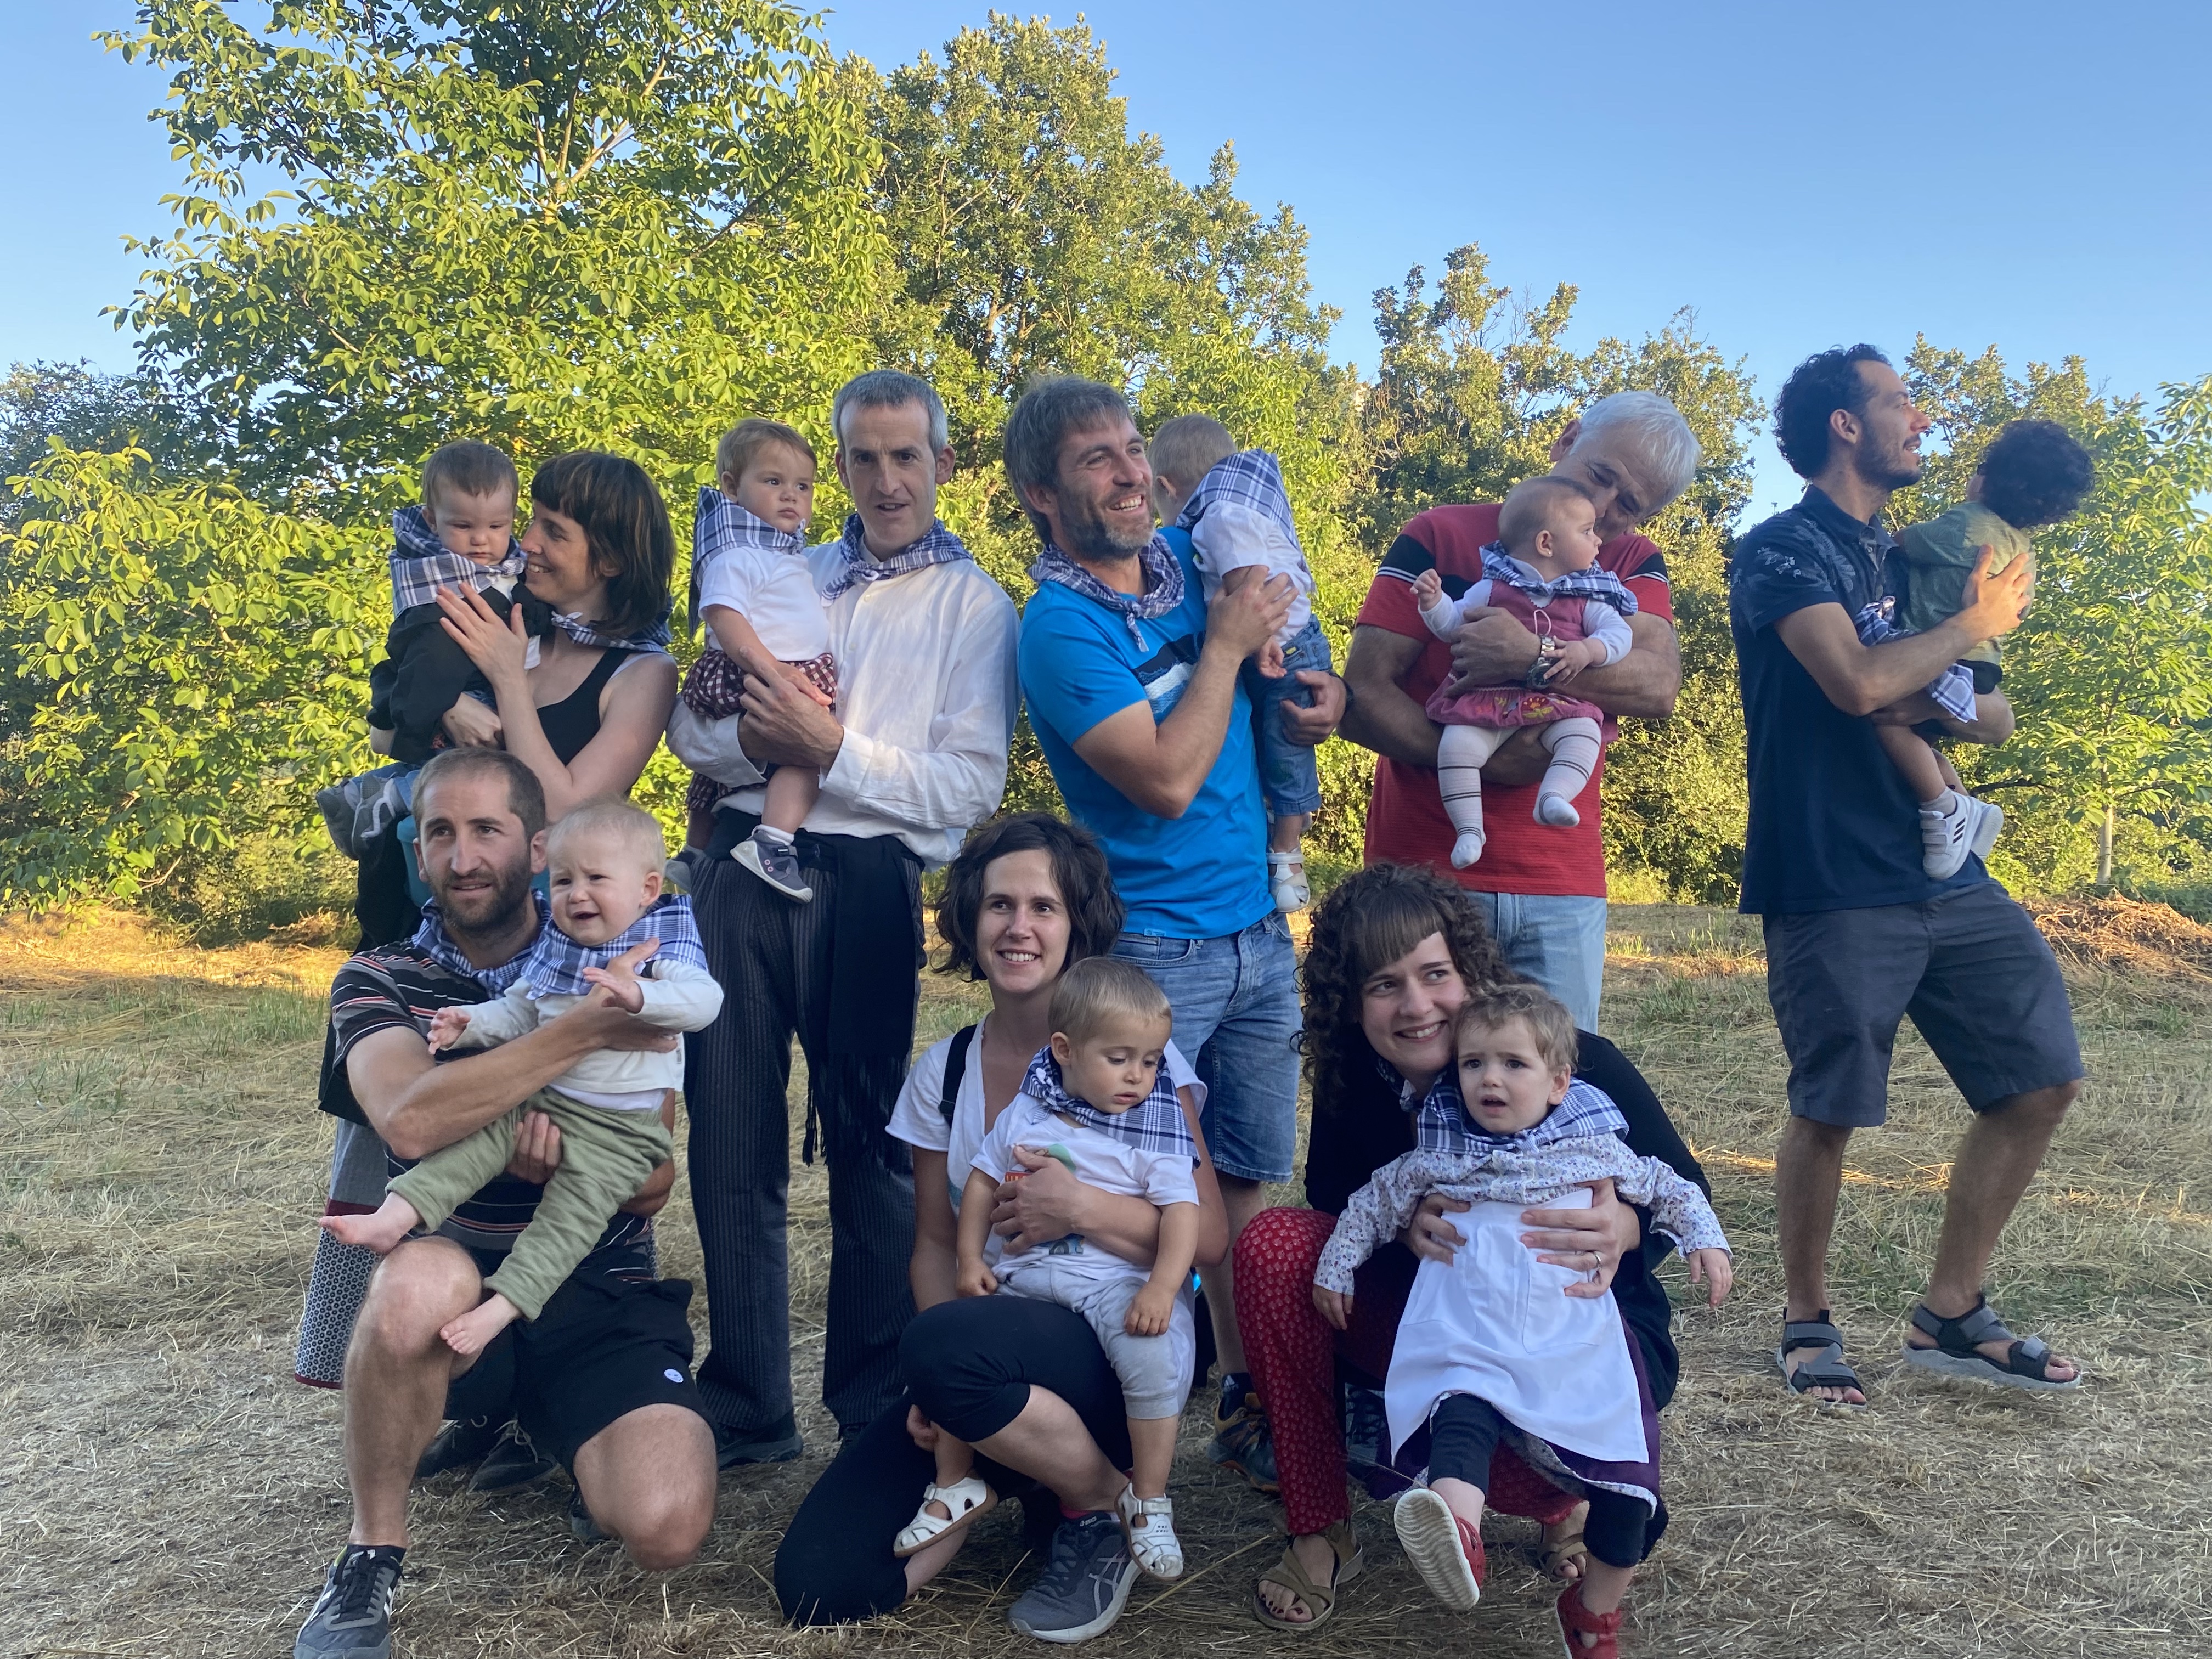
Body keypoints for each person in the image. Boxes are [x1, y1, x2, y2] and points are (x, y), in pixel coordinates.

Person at [291, 748, 715, 1659]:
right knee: (416, 1278)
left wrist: (553, 1164)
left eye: (487, 829)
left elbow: (652, 1181)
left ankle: (540, 1424)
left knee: (667, 1525)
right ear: (415, 851)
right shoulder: (380, 975)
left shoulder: (619, 949)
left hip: (595, 1283)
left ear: (535, 848)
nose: (462, 855)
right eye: (439, 832)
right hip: (453, 1280)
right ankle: (370, 1554)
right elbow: (411, 1119)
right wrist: (582, 1031)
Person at [1002, 376, 1346, 1491]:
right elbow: (1162, 779)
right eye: (1095, 459)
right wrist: (1225, 648)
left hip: (1257, 928)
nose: (1130, 472)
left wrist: (1319, 694)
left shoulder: (1193, 567)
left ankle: (1245, 1391)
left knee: (1245, 1179)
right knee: (1149, 1180)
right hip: (1151, 951)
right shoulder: (1057, 628)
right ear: (1041, 495)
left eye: (1131, 448)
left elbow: (1283, 662)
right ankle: (1108, 1429)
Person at [774, 811, 1229, 1643]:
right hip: (979, 1358)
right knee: (821, 1583)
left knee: (952, 1346)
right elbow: (935, 1244)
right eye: (998, 905)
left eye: (1043, 907)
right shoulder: (944, 1070)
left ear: (1077, 924)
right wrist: (937, 1384)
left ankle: (1092, 1504)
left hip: (1112, 1344)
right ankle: (1071, 1492)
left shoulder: (1140, 1064)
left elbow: (1208, 1240)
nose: (1019, 927)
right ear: (969, 920)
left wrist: (1081, 1209)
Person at [1731, 343, 2083, 1406]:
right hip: (1831, 869)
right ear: (1845, 424)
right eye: (1898, 402)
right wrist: (1965, 634)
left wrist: (1942, 671)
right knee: (1831, 1105)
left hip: (1948, 868)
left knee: (2041, 1077)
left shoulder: (1918, 552)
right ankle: (1806, 1320)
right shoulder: (1781, 550)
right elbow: (1854, 681)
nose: (1920, 419)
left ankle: (1951, 1314)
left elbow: (1996, 713)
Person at [1228, 862, 1710, 1632]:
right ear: (1350, 1003)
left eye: (1435, 975)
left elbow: (1684, 1187)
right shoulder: (1358, 1076)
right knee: (1273, 1245)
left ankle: (1564, 1503)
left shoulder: (1575, 1064)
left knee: (1533, 1456)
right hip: (1452, 1322)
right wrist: (1402, 1226)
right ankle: (1321, 1526)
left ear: (1471, 972)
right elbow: (1334, 1198)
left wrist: (1625, 1227)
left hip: (1577, 1335)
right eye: (1384, 986)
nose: (1416, 1006)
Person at [683, 369, 1020, 1464]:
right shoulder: (780, 566)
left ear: (942, 463)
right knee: (730, 1131)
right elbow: (693, 731)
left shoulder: (976, 606)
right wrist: (753, 741)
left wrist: (834, 752)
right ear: (837, 465)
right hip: (742, 862)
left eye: (905, 455)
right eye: (864, 458)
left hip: (870, 879)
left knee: (873, 1148)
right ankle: (748, 1402)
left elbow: (967, 788)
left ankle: (872, 1402)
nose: (885, 480)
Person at [1316, 982, 1729, 1656]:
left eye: (1513, 1064)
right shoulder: (1442, 1154)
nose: (1490, 1079)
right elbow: (1370, 1203)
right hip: (1469, 1337)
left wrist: (1705, 1242)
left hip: (1574, 1347)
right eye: (1474, 1064)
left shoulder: (1592, 1149)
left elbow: (1669, 1185)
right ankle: (1457, 1533)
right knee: (1460, 1417)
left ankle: (1594, 1612)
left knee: (1628, 1489)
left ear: (1559, 1082)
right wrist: (1336, 1266)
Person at [1341, 391, 1700, 1033]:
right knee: (1404, 1081)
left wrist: (1531, 656)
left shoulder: (1629, 559)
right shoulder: (1438, 533)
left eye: (1629, 505)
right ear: (1567, 440)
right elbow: (1362, 696)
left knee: (1558, 1082)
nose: (1605, 509)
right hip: (1421, 875)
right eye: (1601, 475)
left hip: (1560, 884)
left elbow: (1657, 685)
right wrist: (1481, 762)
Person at [321, 800, 721, 1357]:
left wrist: (641, 996)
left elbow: (705, 1002)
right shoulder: (559, 949)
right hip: (550, 1102)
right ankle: (394, 1216)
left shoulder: (657, 949)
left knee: (568, 1222)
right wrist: (470, 1025)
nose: (577, 894)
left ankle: (503, 1306)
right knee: (471, 1146)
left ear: (647, 889)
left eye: (596, 879)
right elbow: (520, 1010)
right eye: (563, 881)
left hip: (622, 1132)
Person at [910, 958, 1201, 1582]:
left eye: (1151, 1061)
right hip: (1025, 1283)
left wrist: (1162, 1286)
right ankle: (955, 1481)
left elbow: (1185, 1216)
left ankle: (1148, 1499)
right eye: (1120, 1059)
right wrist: (970, 1259)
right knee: (954, 1342)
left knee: (1150, 1355)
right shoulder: (1028, 1113)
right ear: (1065, 1051)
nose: (1139, 1076)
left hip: (1111, 1285)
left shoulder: (1151, 1127)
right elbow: (982, 1181)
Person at [349, 449, 681, 947]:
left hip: (541, 936)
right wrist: (447, 704)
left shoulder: (644, 672)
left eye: (554, 532)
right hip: (424, 913)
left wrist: (507, 680)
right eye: (531, 522)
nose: (527, 542)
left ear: (610, 561)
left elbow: (563, 810)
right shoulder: (502, 615)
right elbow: (383, 734)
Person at [1872, 418, 2096, 874]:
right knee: (1916, 738)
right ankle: (1965, 803)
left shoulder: (1965, 525)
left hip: (1941, 654)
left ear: (1989, 478)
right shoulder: (2024, 551)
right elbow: (2018, 612)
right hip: (1983, 665)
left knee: (1885, 721)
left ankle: (1943, 807)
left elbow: (1902, 543)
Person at [317, 441, 554, 861]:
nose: (481, 539)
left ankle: (369, 790)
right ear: (432, 520)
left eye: (497, 526)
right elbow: (416, 671)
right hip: (444, 692)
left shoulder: (506, 570)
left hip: (459, 694)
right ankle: (394, 794)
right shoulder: (439, 585)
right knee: (473, 770)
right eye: (463, 526)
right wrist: (441, 706)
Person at [1149, 414, 1334, 912]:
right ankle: (1284, 823)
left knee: (1287, 746)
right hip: (1289, 644)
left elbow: (1248, 582)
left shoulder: (1219, 516)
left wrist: (1260, 639)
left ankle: (1287, 852)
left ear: (1166, 487)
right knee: (1269, 743)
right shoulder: (1247, 504)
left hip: (1284, 648)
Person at [1409, 476, 1638, 866]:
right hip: (1487, 700)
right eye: (1587, 531)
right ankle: (1469, 830)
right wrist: (1434, 602)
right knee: (1456, 749)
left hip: (1557, 703)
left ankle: (1554, 796)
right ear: (1546, 543)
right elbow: (1453, 627)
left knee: (1584, 733)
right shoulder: (1492, 588)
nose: (1599, 540)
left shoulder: (1588, 595)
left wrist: (1588, 650)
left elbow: (1619, 635)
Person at [668, 417, 833, 898]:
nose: (791, 496)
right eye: (773, 481)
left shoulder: (778, 552)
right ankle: (773, 843)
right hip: (760, 671)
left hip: (767, 669)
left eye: (802, 486)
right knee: (808, 754)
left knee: (712, 775)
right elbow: (724, 616)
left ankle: (693, 853)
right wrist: (772, 669)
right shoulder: (738, 552)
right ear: (731, 487)